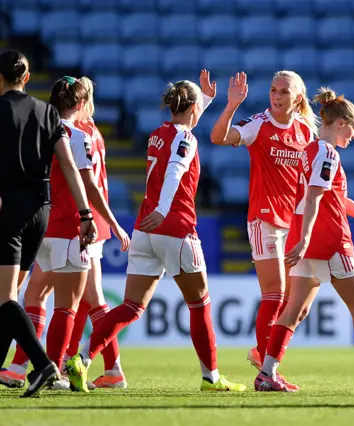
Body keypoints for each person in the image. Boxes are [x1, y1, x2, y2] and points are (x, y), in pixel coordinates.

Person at [66, 73, 246, 394]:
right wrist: (164, 209)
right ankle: (211, 377)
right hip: (174, 227)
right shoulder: (186, 139)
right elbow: (176, 169)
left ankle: (81, 357)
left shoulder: (157, 134)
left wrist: (205, 99)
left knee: (131, 307)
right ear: (192, 109)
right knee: (199, 303)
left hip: (144, 229)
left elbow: (184, 125)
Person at [254, 88, 354, 393]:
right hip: (332, 240)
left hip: (306, 238)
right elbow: (313, 198)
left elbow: (336, 199)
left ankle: (266, 373)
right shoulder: (327, 153)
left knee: (295, 310)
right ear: (340, 123)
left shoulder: (309, 151)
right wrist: (308, 238)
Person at [0, 77, 131, 391]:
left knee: (50, 298)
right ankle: (45, 367)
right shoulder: (85, 133)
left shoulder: (45, 127)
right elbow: (87, 180)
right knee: (68, 302)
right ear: (81, 102)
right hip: (72, 225)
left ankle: (45, 367)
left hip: (51, 223)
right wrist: (108, 220)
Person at [0, 50, 97, 398]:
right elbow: (70, 167)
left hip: (8, 210)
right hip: (41, 212)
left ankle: (42, 365)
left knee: (8, 298)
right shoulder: (47, 113)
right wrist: (87, 216)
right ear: (26, 78)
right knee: (9, 297)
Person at [210, 71, 316, 372]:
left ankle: (262, 353)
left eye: (284, 91)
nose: (277, 96)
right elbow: (218, 137)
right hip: (264, 218)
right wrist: (232, 105)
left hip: (291, 224)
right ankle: (267, 369)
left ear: (297, 97)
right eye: (273, 90)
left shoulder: (305, 133)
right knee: (274, 294)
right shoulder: (259, 123)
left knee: (295, 303)